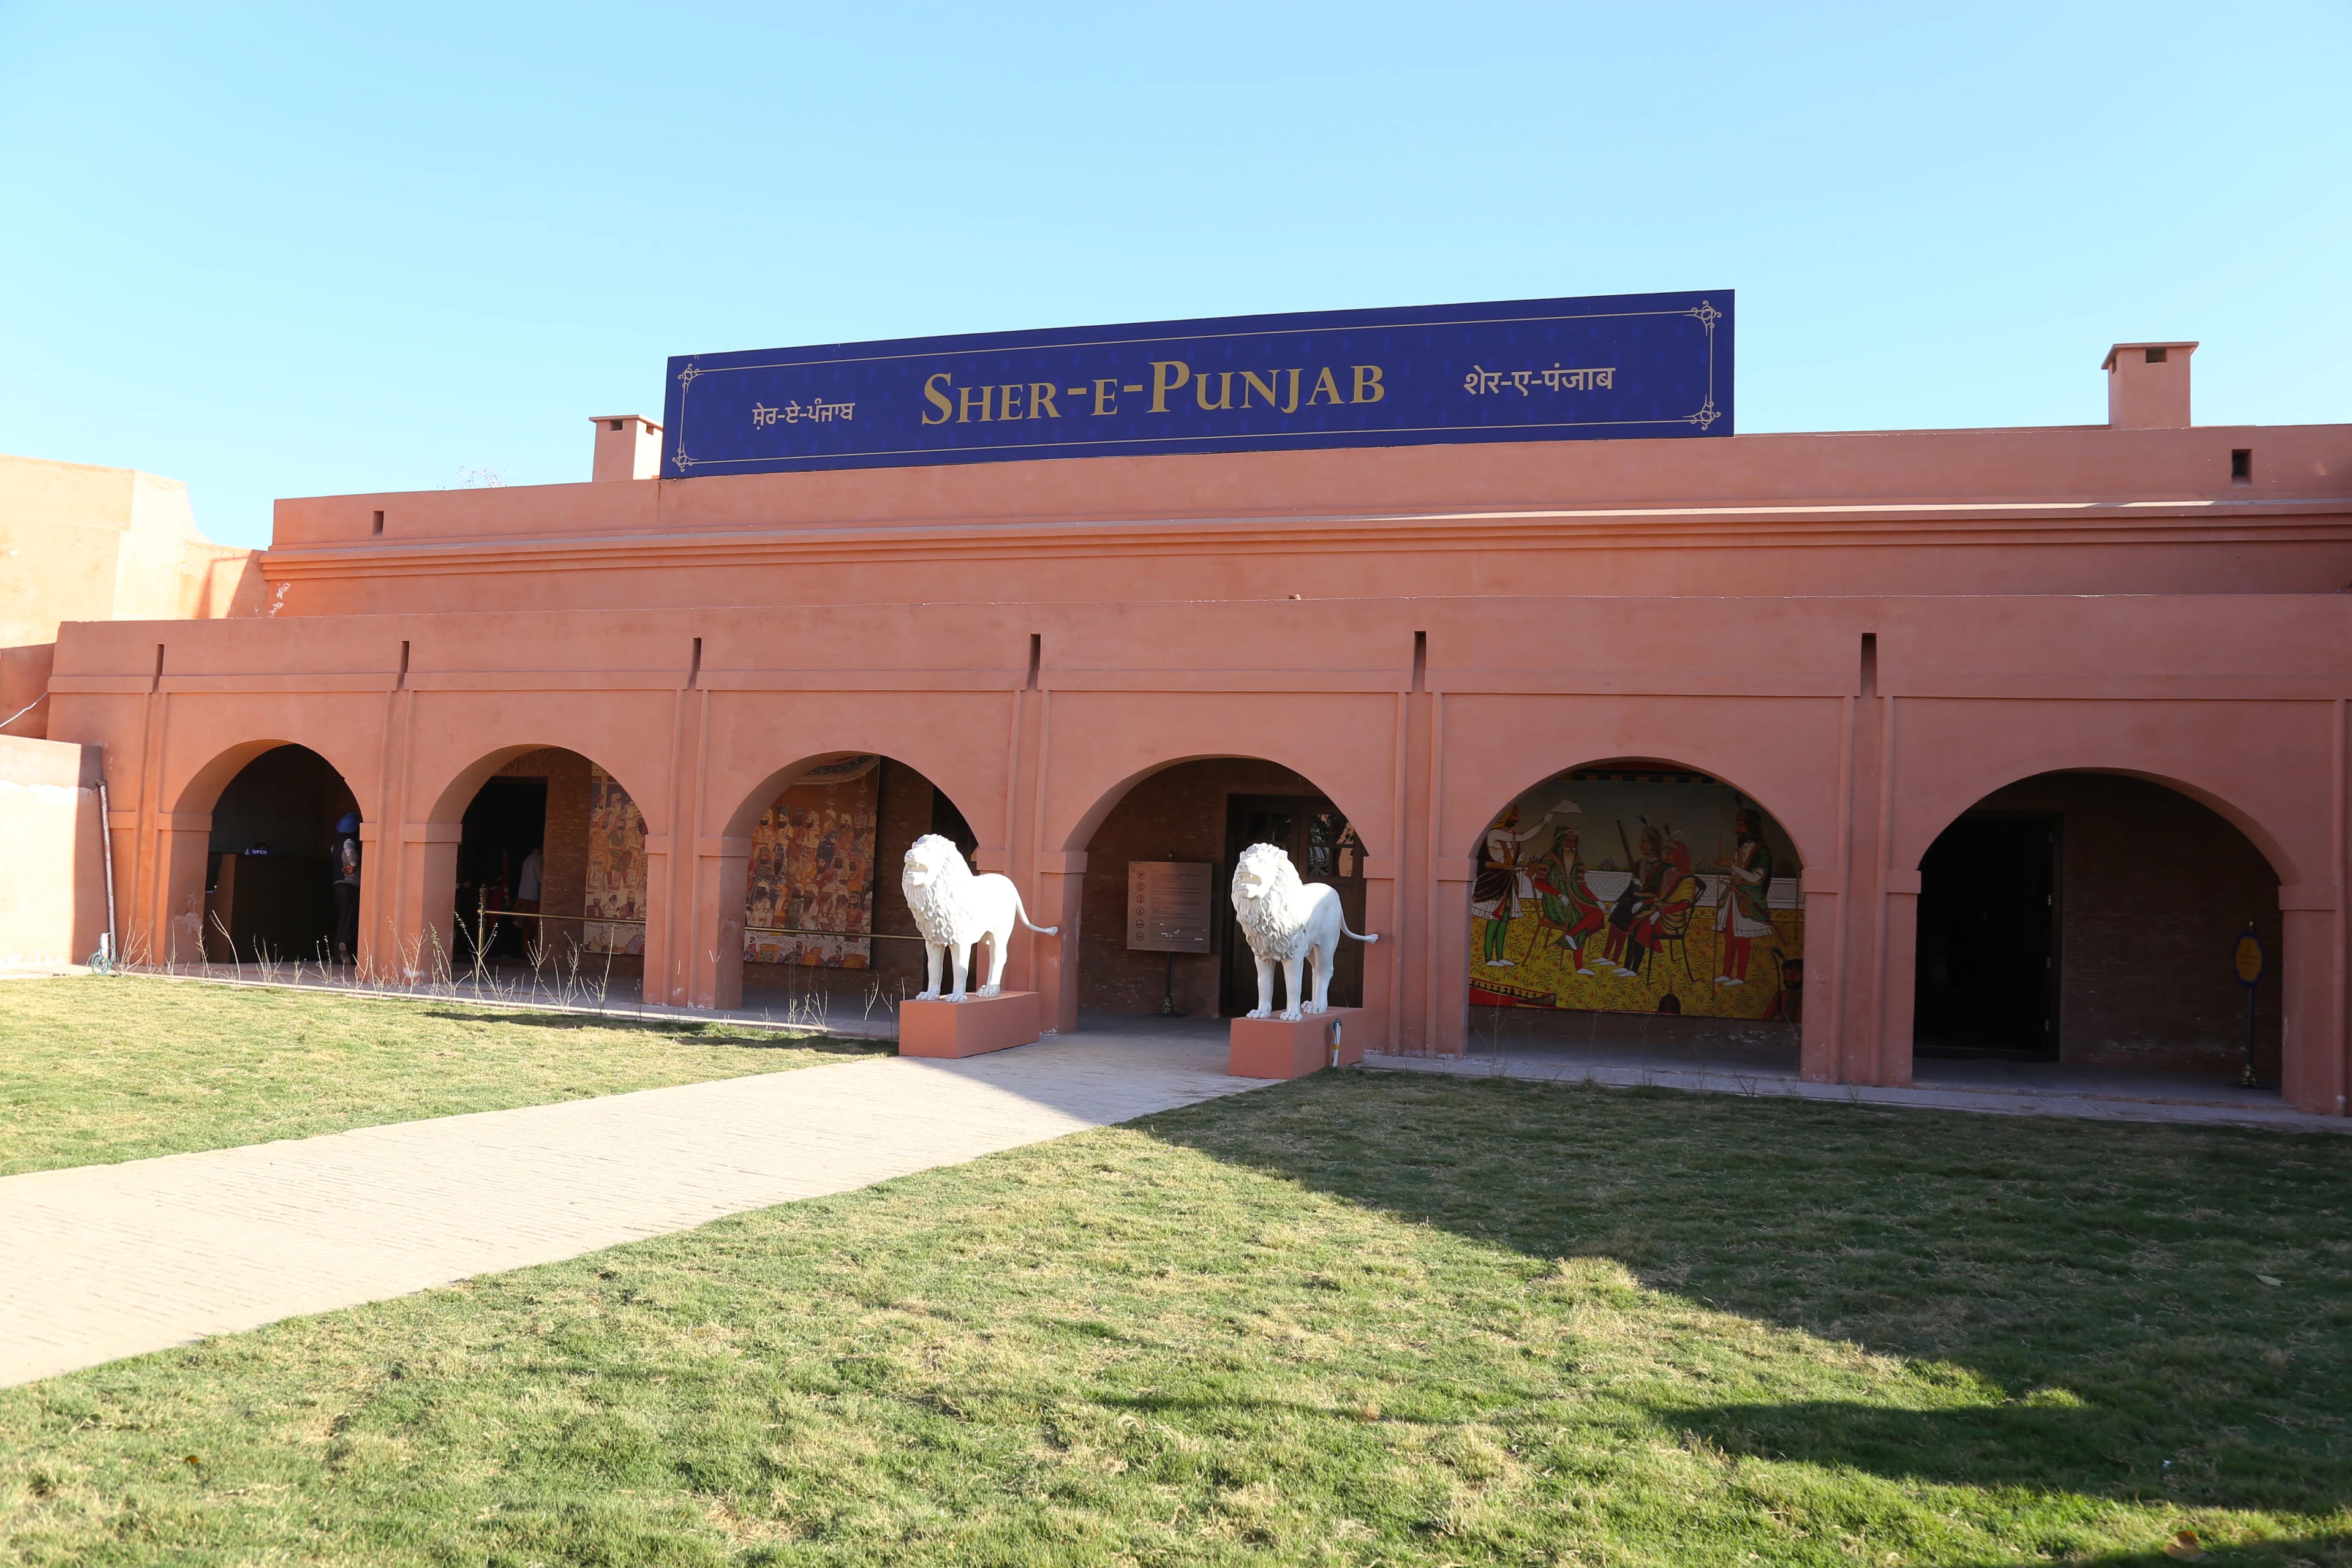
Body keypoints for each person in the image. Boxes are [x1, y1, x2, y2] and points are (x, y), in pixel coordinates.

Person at [1529, 826, 1609, 975]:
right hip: (1554, 900)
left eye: (1575, 842)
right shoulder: (1549, 857)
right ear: (1560, 841)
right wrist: (1558, 894)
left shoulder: (1578, 859)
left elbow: (1581, 884)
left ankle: (1571, 935)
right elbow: (1539, 882)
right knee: (1578, 918)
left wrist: (1596, 900)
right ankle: (1579, 967)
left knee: (1598, 912)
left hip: (1576, 896)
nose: (1572, 846)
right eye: (1569, 841)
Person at [1713, 808, 1776, 986]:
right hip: (1735, 896)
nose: (1737, 829)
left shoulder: (1762, 852)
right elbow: (1740, 874)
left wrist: (1731, 866)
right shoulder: (1742, 848)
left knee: (1742, 937)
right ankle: (1726, 973)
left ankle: (1740, 976)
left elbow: (1756, 879)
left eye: (1741, 825)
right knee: (1730, 935)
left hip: (1748, 899)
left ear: (1751, 827)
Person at [331, 813, 361, 963]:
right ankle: (345, 946)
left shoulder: (335, 844)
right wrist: (353, 865)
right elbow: (349, 851)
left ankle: (338, 952)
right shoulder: (348, 841)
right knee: (350, 918)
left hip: (338, 884)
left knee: (343, 918)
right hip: (350, 884)